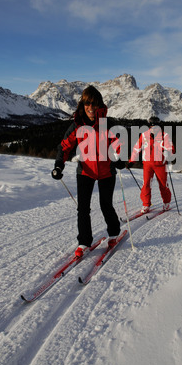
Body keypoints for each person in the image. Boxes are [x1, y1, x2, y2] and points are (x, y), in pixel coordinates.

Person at [52, 85, 124, 257]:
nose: (91, 107)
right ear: (82, 105)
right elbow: (64, 147)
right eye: (87, 103)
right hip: (85, 172)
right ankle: (84, 242)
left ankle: (114, 233)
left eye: (94, 103)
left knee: (106, 204)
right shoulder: (77, 125)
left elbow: (118, 143)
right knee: (83, 209)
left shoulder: (107, 124)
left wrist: (121, 159)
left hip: (107, 171)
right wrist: (58, 165)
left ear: (100, 105)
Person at [127, 117, 175, 213]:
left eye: (155, 126)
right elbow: (137, 148)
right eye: (151, 126)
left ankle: (166, 203)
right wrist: (131, 161)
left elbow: (171, 148)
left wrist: (168, 153)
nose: (153, 128)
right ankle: (146, 204)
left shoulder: (164, 136)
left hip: (160, 164)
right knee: (146, 184)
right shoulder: (144, 135)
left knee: (163, 185)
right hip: (148, 164)